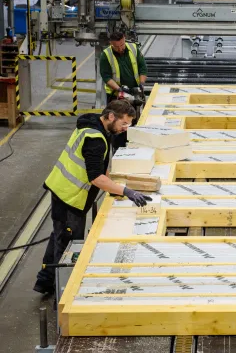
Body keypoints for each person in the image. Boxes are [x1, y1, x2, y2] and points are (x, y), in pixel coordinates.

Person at [33, 100, 152, 294]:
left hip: (62, 189)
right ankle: (64, 294)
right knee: (69, 244)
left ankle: (45, 281)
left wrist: (112, 184)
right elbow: (95, 177)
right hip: (71, 197)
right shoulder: (95, 138)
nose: (125, 128)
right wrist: (126, 191)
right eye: (124, 123)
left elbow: (98, 168)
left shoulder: (92, 125)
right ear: (111, 116)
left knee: (59, 235)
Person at [100, 31, 148, 150]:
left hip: (134, 92)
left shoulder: (133, 48)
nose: (120, 48)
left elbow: (143, 68)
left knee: (133, 123)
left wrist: (141, 84)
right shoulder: (106, 55)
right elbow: (106, 77)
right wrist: (119, 89)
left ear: (124, 39)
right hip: (116, 96)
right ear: (111, 44)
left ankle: (133, 148)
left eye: (122, 45)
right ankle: (118, 151)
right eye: (116, 47)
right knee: (117, 126)